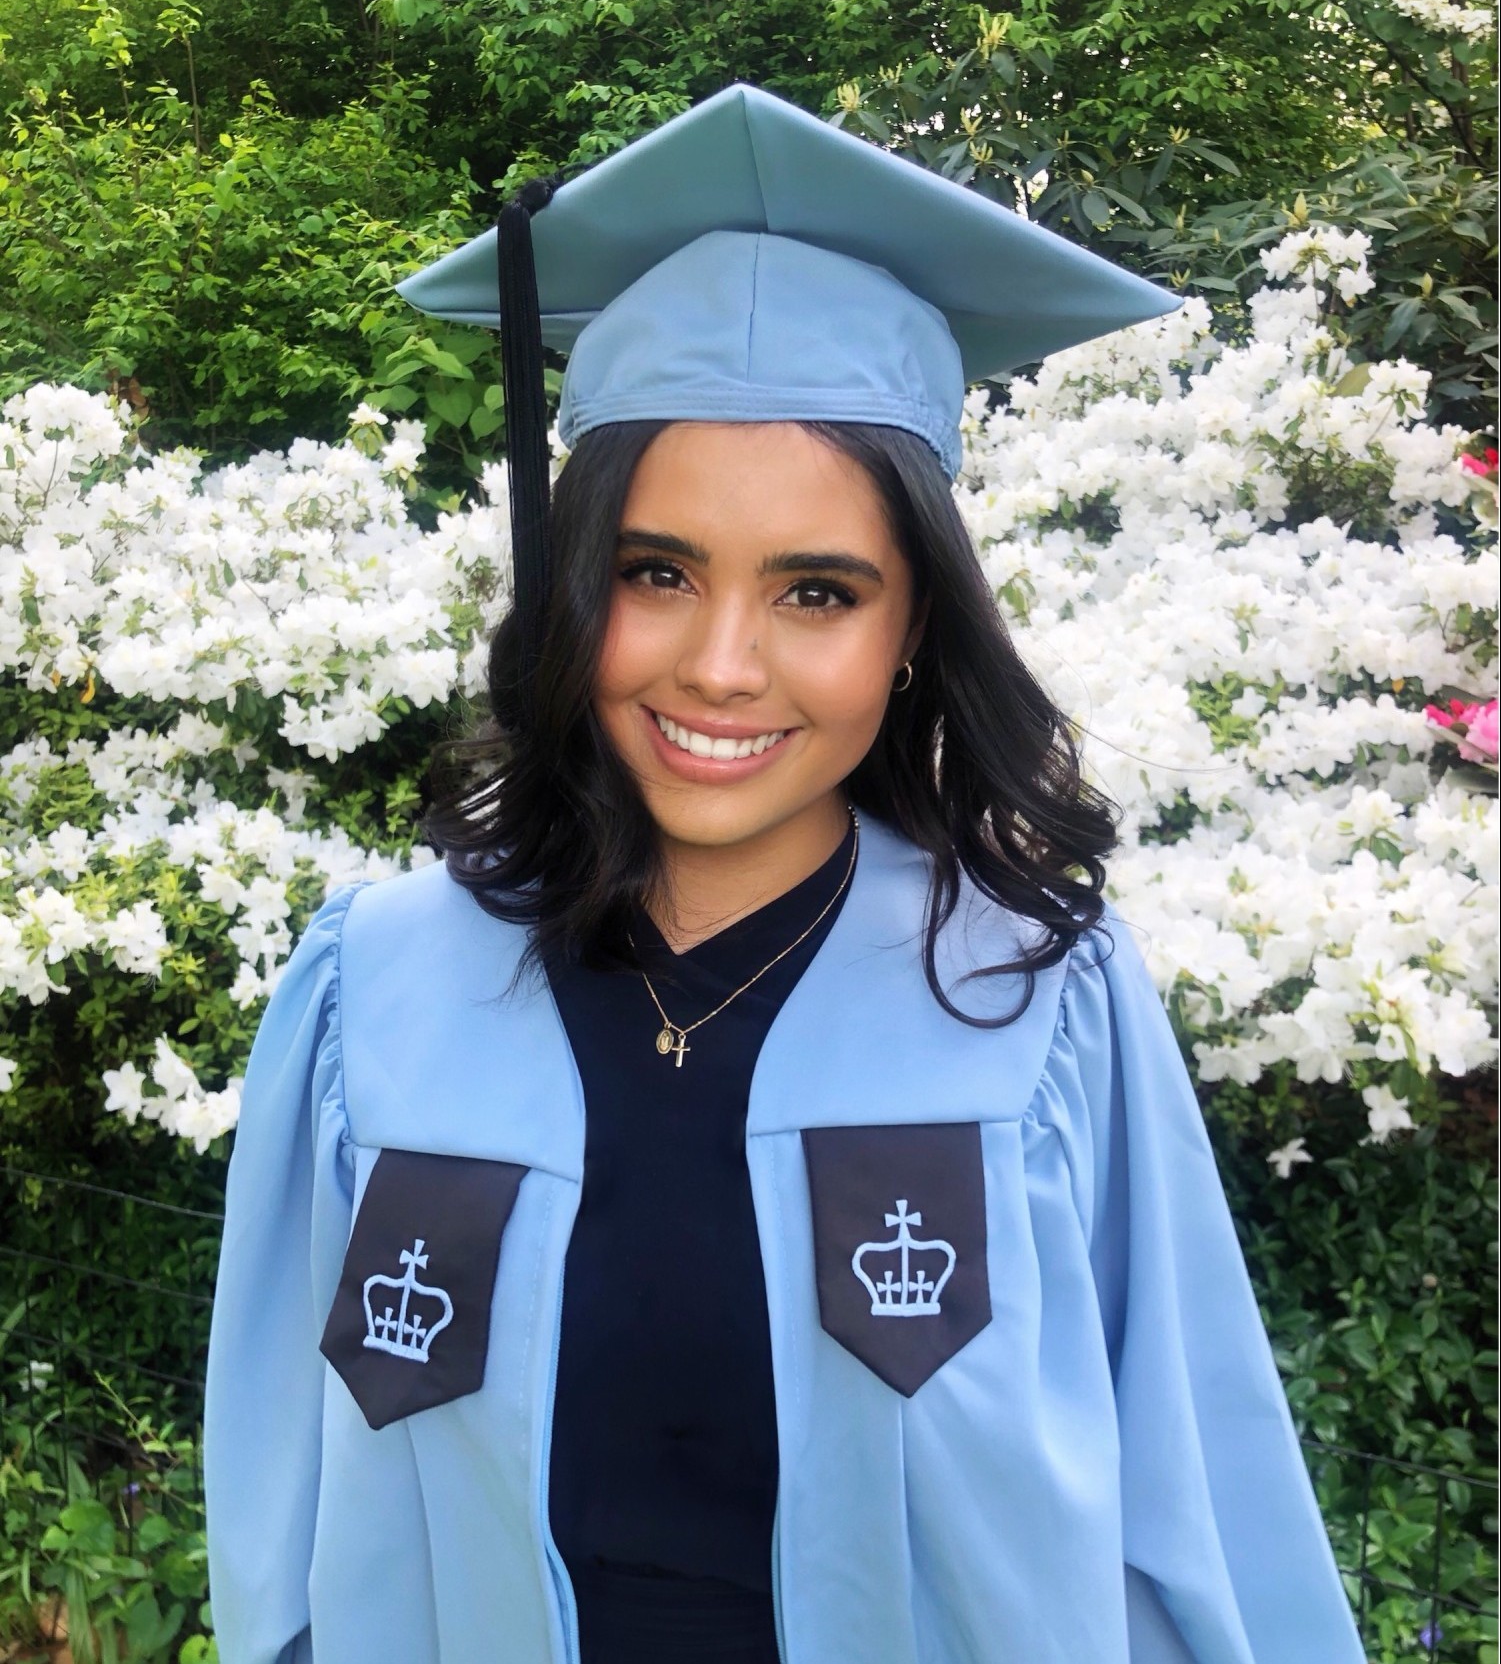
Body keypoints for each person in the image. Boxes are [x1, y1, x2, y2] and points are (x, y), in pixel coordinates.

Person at [203, 84, 1366, 1664]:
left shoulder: (1025, 997)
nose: (722, 664)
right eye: (654, 572)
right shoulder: (379, 988)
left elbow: (1197, 1492)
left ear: (910, 637)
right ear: (569, 589)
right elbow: (278, 1514)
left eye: (816, 590)